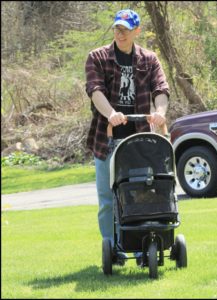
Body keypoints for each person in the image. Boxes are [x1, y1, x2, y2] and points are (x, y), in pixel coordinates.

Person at [85, 9, 170, 265]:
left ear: (137, 31)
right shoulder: (97, 57)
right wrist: (111, 113)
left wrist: (160, 112)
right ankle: (113, 251)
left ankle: (145, 247)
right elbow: (95, 90)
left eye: (125, 29)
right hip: (106, 139)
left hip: (140, 142)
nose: (120, 33)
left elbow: (161, 89)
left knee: (144, 193)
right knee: (107, 200)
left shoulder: (149, 59)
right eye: (117, 29)